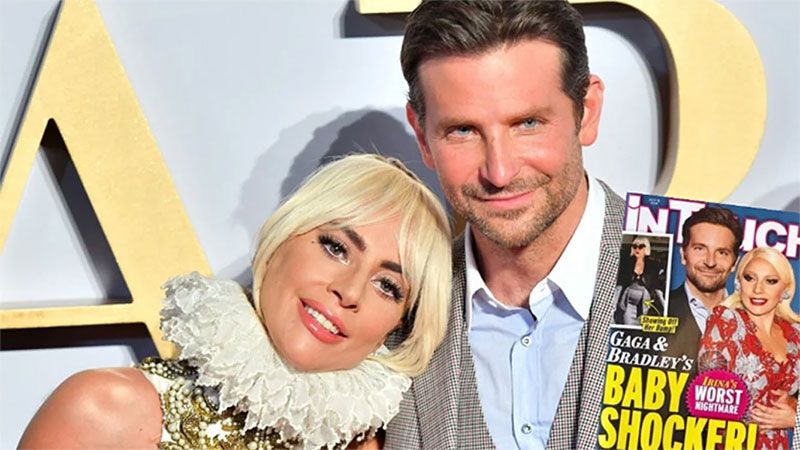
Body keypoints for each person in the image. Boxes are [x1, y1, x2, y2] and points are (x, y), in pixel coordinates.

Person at [17, 154, 452, 450]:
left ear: (398, 323)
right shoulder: (100, 410)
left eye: (387, 286)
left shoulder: (381, 443)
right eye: (336, 247)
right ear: (282, 237)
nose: (350, 291)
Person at [385, 1, 625, 448]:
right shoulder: (389, 313)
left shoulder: (718, 292)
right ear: (422, 136)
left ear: (587, 111)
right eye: (462, 131)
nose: (499, 171)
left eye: (527, 123)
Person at [698, 246, 800, 449]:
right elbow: (709, 400)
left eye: (771, 281)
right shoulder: (726, 322)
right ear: (738, 283)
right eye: (750, 278)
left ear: (785, 290)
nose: (757, 289)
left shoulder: (795, 335)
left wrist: (793, 416)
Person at [666, 206, 742, 360]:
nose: (710, 262)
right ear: (683, 255)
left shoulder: (751, 319)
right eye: (700, 249)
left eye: (722, 252)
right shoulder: (654, 309)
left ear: (735, 262)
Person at [614, 236, 665, 325]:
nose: (637, 249)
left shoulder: (653, 265)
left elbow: (657, 287)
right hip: (628, 302)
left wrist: (665, 306)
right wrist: (613, 307)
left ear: (646, 248)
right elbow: (620, 285)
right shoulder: (626, 263)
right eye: (635, 246)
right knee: (628, 325)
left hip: (644, 303)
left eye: (641, 246)